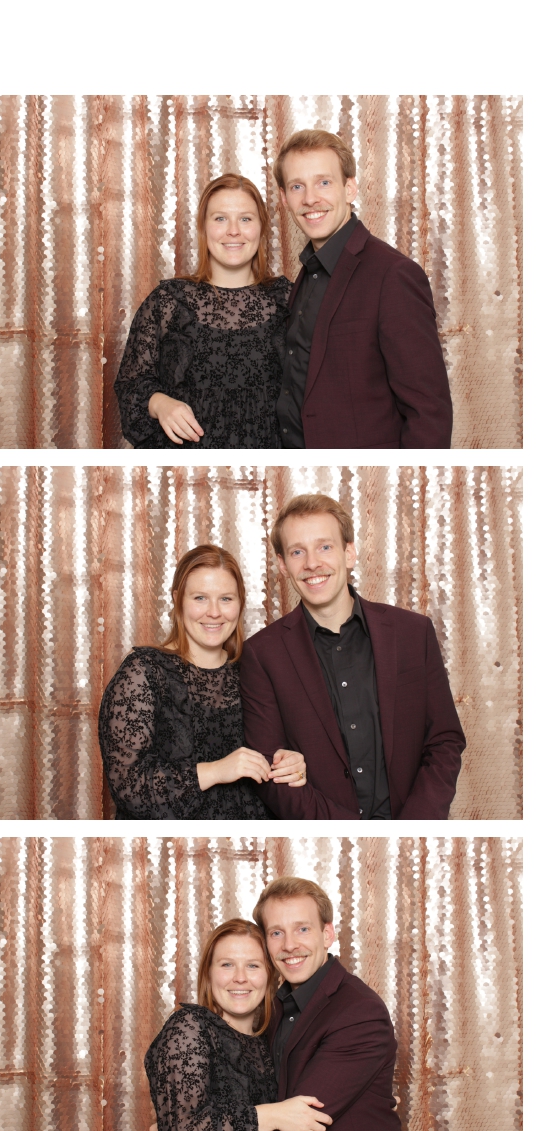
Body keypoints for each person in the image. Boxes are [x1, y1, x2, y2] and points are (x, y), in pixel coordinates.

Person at [239, 493, 465, 821]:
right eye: (297, 551)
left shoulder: (413, 633)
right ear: (283, 564)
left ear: (349, 553)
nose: (312, 563)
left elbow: (444, 740)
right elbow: (271, 771)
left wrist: (412, 828)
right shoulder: (261, 654)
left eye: (324, 546)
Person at [193, 879, 417, 1131]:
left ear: (327, 934)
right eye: (276, 933)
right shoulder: (272, 1007)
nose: (289, 945)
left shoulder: (358, 1011)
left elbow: (300, 1122)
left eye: (302, 929)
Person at [98, 543, 306, 820]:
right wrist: (216, 771)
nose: (214, 612)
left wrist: (293, 765)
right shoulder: (143, 672)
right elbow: (128, 788)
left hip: (252, 840)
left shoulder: (254, 671)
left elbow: (277, 756)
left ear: (240, 603)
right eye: (200, 598)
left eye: (226, 599)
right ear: (177, 600)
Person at [274, 128, 452, 449]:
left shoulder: (393, 275)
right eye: (297, 186)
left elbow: (429, 413)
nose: (310, 198)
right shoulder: (307, 273)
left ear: (350, 188)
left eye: (324, 182)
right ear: (284, 198)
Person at [134, 919, 333, 1131]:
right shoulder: (190, 1026)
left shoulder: (274, 1040)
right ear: (208, 974)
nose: (240, 977)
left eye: (253, 965)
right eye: (227, 964)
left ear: (270, 975)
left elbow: (307, 1116)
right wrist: (275, 1115)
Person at [114, 173, 291, 448]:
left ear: (261, 227)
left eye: (245, 219)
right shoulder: (167, 301)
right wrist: (159, 403)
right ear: (203, 227)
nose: (233, 230)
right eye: (220, 218)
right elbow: (130, 385)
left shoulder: (290, 300)